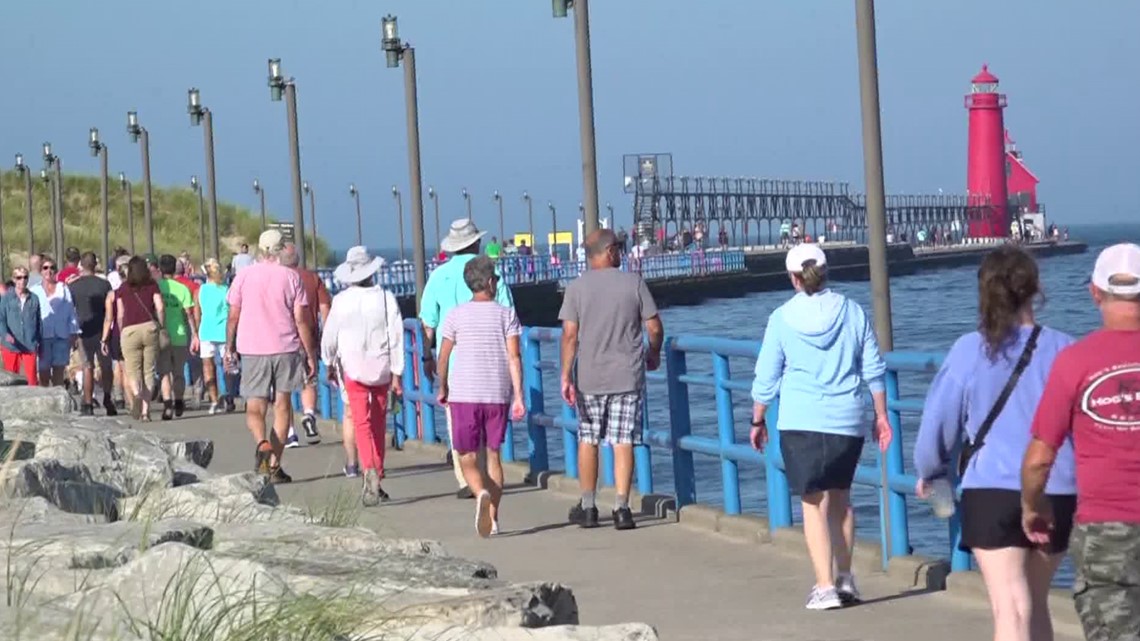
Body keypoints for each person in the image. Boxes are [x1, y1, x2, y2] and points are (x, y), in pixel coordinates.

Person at [913, 246, 1075, 641]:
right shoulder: (1067, 348)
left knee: (1009, 605)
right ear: (1035, 288)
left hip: (993, 489)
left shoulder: (970, 349)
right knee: (1035, 602)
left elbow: (939, 421)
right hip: (1058, 487)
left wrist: (930, 471)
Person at [749, 243, 891, 610]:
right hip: (848, 419)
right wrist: (881, 415)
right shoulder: (853, 312)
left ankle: (824, 587)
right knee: (841, 500)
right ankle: (846, 580)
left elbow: (767, 376)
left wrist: (758, 418)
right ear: (824, 273)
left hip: (801, 420)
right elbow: (873, 367)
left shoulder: (781, 318)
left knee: (813, 504)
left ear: (794, 278)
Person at [1021, 243, 1140, 641]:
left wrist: (1032, 506)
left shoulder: (1075, 361)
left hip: (1107, 532)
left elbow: (1040, 458)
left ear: (1095, 292)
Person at [559, 229, 663, 531]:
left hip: (590, 375)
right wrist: (653, 353)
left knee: (588, 440)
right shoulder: (634, 283)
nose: (621, 252)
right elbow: (654, 327)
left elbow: (569, 335)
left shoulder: (576, 288)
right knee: (623, 441)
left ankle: (589, 507)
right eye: (618, 248)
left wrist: (566, 374)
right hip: (628, 374)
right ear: (608, 252)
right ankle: (622, 508)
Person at [420, 219, 515, 499]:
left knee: (460, 428)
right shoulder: (490, 272)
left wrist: (428, 356)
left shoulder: (438, 276)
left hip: (455, 365)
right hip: (492, 362)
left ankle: (468, 481)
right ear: (476, 242)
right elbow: (508, 312)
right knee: (491, 436)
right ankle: (487, 480)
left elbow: (428, 322)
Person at [436, 256, 526, 537]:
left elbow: (444, 356)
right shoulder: (506, 314)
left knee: (466, 456)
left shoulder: (455, 315)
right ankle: (493, 518)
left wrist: (443, 387)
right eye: (496, 280)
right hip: (496, 392)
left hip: (464, 392)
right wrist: (519, 396)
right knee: (494, 456)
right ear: (489, 282)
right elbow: (514, 357)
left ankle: (480, 493)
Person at [226, 230, 315, 484]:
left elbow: (233, 315)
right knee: (283, 405)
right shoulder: (291, 277)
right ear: (279, 250)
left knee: (255, 405)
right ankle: (274, 464)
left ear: (260, 249)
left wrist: (229, 347)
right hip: (285, 346)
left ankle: (262, 443)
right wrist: (309, 354)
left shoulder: (243, 276)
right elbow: (301, 319)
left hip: (252, 347)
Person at [321, 246, 403, 505]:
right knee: (379, 421)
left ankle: (368, 469)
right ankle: (376, 470)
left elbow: (330, 336)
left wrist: (329, 362)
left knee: (361, 422)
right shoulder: (386, 298)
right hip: (381, 368)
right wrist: (397, 372)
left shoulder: (341, 300)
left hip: (352, 368)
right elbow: (397, 335)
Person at [281, 242, 331, 447]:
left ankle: (290, 433)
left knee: (283, 387)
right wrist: (327, 334)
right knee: (308, 380)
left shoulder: (276, 279)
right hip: (308, 336)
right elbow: (325, 307)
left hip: (281, 338)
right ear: (298, 259)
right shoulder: (311, 278)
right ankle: (309, 414)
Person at [114, 256, 164, 420]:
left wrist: (123, 331)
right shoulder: (152, 285)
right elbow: (160, 307)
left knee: (133, 370)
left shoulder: (123, 288)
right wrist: (161, 325)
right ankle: (145, 411)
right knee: (149, 370)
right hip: (149, 327)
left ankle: (136, 394)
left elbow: (120, 315)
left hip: (130, 330)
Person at [69, 252, 117, 416]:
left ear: (81, 265)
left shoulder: (74, 286)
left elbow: (71, 311)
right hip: (102, 329)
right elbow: (110, 308)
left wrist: (72, 333)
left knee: (87, 366)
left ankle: (88, 403)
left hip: (83, 329)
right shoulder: (104, 285)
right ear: (95, 264)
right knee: (105, 365)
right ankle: (108, 398)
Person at [156, 254, 197, 420]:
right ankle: (179, 400)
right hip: (179, 334)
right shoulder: (182, 289)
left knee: (164, 372)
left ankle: (167, 404)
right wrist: (194, 333)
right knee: (178, 372)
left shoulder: (157, 287)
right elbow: (189, 314)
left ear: (160, 269)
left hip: (162, 334)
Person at [29, 257, 79, 387]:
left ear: (56, 271)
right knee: (44, 373)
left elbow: (70, 312)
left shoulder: (63, 288)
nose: (49, 271)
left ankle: (58, 401)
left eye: (52, 268)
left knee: (59, 372)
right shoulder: (34, 290)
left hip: (61, 336)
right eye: (45, 268)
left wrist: (74, 333)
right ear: (41, 271)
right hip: (43, 337)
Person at [196, 259, 234, 414]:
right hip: (223, 331)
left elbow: (197, 313)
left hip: (206, 330)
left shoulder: (200, 290)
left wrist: (197, 331)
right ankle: (228, 396)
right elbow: (231, 312)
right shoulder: (226, 289)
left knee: (208, 366)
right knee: (227, 366)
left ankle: (214, 400)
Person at [0, 266, 42, 385]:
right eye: (19, 277)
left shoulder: (34, 298)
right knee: (11, 380)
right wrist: (5, 334)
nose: (22, 280)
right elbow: (1, 319)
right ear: (14, 279)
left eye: (25, 277)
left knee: (32, 380)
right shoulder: (6, 298)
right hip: (11, 345)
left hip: (29, 344)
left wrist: (40, 342)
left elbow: (38, 322)